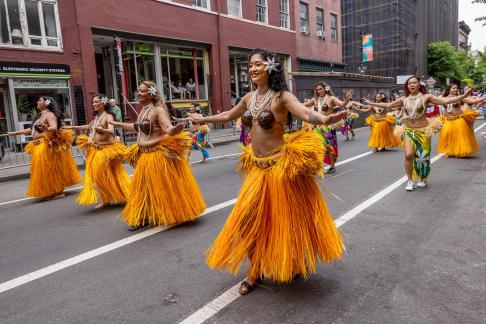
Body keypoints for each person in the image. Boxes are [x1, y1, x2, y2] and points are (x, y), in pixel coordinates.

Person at [188, 49, 348, 295]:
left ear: (270, 67)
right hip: (257, 170)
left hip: (280, 169)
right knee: (247, 222)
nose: (252, 68)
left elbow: (305, 112)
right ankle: (255, 270)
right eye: (250, 64)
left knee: (286, 223)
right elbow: (229, 115)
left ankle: (290, 262)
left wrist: (325, 120)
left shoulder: (282, 97)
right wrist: (203, 119)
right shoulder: (249, 97)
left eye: (258, 64)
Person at [111, 81, 206, 231]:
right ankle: (142, 216)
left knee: (162, 188)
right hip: (145, 156)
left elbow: (167, 128)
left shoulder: (158, 110)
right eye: (138, 91)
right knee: (141, 189)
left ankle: (170, 212)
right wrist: (118, 124)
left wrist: (174, 130)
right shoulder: (143, 111)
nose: (139, 93)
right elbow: (137, 128)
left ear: (152, 93)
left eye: (142, 91)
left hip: (156, 156)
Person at [365, 76, 473, 191]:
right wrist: (371, 103)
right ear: (407, 86)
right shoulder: (403, 99)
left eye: (414, 83)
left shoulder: (426, 97)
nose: (411, 85)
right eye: (409, 83)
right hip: (408, 130)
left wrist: (464, 96)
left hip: (423, 131)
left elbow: (445, 101)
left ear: (419, 85)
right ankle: (410, 180)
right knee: (408, 155)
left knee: (422, 157)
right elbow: (388, 105)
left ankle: (422, 178)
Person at [7, 97, 81, 199]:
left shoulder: (50, 114)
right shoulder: (40, 116)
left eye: (40, 100)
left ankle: (58, 191)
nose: (37, 102)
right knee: (45, 170)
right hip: (39, 145)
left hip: (46, 145)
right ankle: (53, 190)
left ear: (46, 103)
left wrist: (46, 128)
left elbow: (54, 127)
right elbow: (31, 129)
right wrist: (16, 133)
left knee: (51, 169)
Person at [65, 94, 130, 210]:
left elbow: (111, 131)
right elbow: (88, 127)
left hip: (105, 151)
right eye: (93, 102)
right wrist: (71, 127)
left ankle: (127, 195)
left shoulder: (108, 116)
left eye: (96, 102)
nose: (93, 104)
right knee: (99, 177)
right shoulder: (97, 117)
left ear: (103, 103)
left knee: (110, 175)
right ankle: (106, 199)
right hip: (95, 151)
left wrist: (102, 129)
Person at [303, 82, 350, 173]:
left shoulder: (331, 98)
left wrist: (347, 98)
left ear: (326, 89)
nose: (319, 91)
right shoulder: (314, 100)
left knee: (329, 147)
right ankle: (317, 166)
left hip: (328, 126)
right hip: (317, 126)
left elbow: (342, 104)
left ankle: (332, 166)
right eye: (317, 89)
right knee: (317, 146)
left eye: (320, 89)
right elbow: (302, 105)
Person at [436, 84, 486, 157]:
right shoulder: (443, 98)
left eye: (457, 88)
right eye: (454, 88)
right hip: (447, 120)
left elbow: (472, 101)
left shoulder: (460, 98)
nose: (456, 89)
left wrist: (483, 97)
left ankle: (460, 151)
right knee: (448, 136)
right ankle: (450, 151)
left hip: (458, 120)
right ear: (449, 89)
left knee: (460, 137)